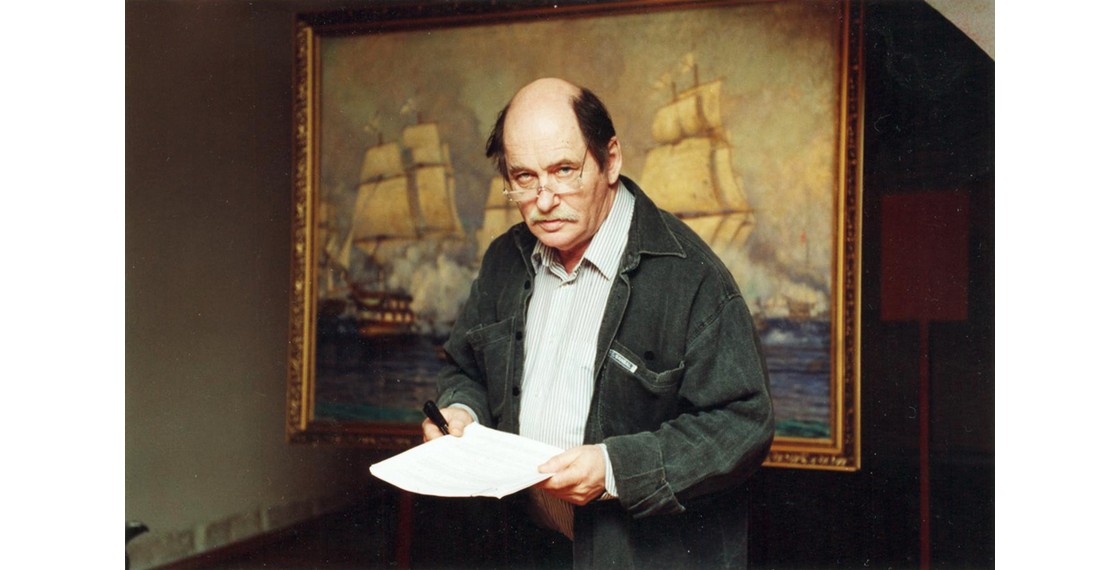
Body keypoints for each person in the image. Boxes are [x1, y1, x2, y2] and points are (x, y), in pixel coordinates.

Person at [421, 77, 774, 569]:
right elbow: (466, 370)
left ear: (611, 160)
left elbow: (743, 422)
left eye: (564, 170)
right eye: (523, 177)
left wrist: (613, 470)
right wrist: (462, 413)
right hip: (524, 548)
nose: (544, 200)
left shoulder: (691, 276)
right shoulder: (504, 258)